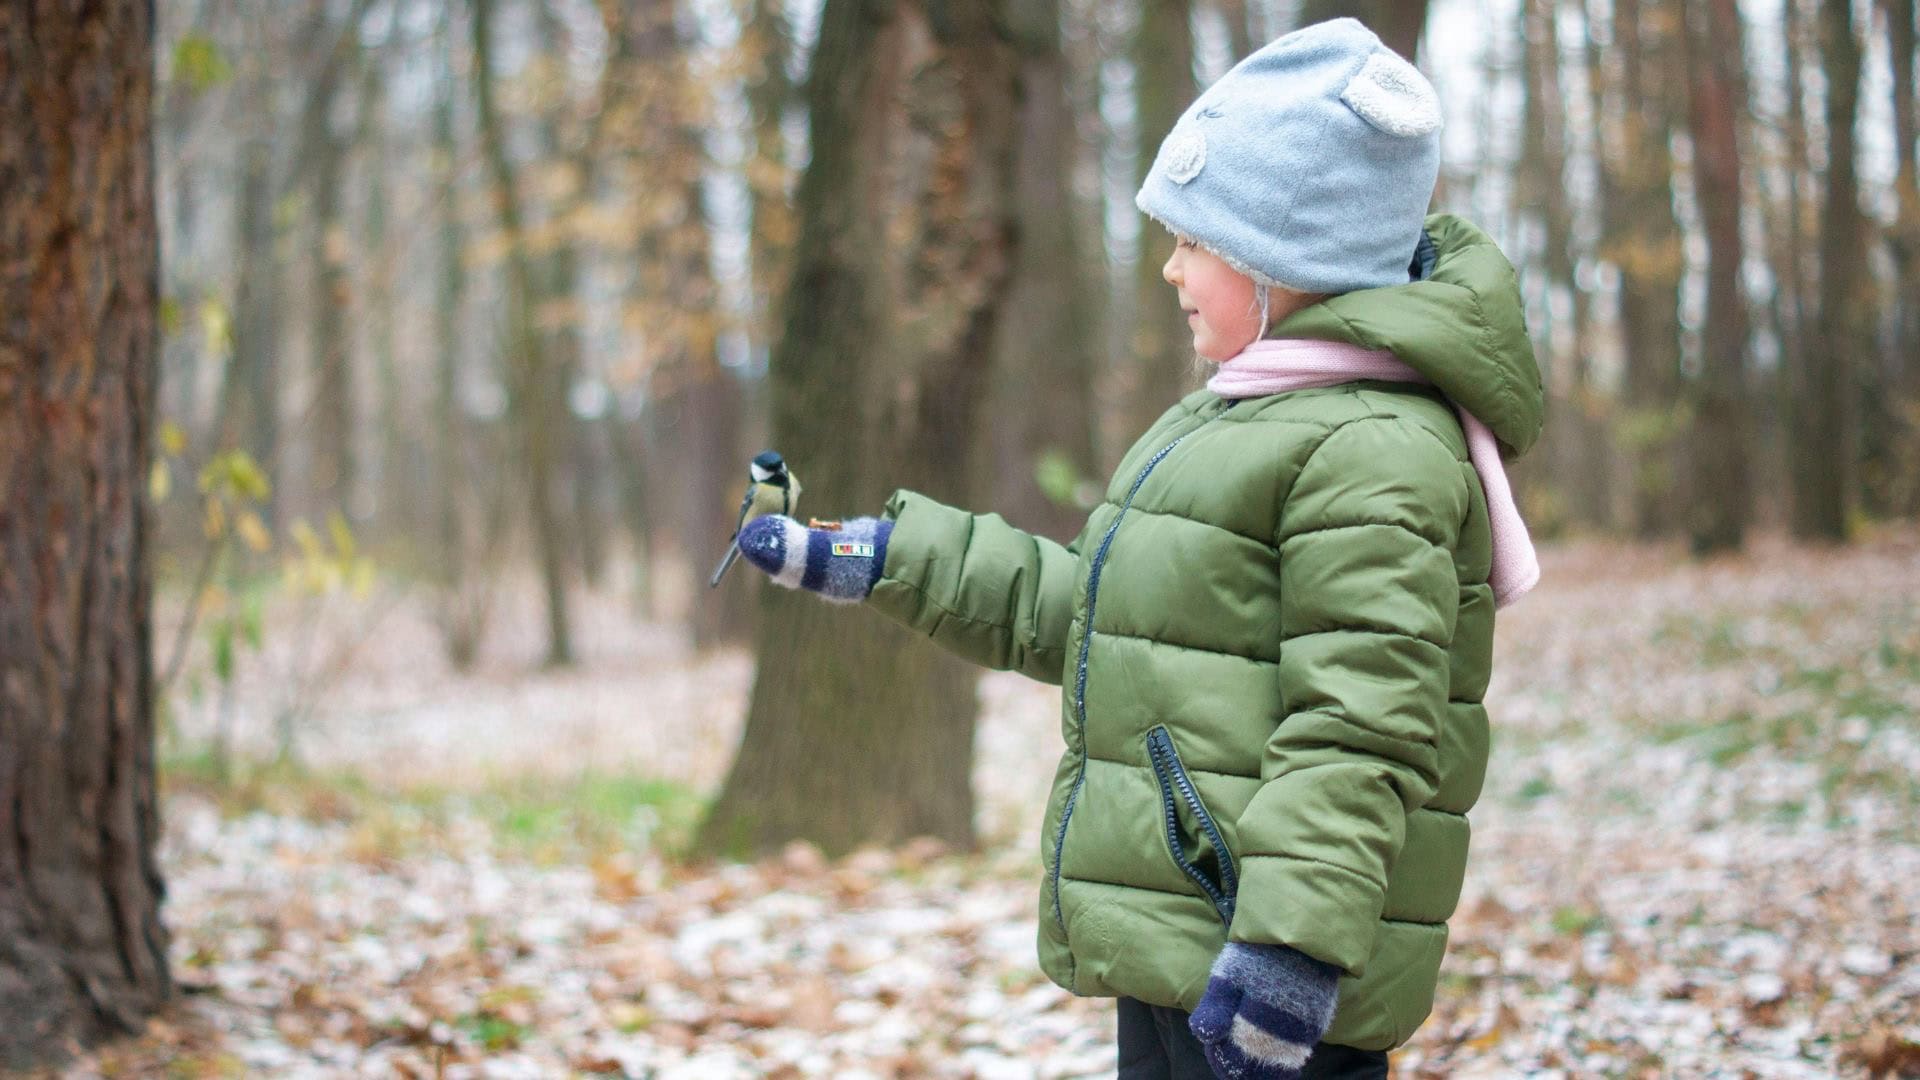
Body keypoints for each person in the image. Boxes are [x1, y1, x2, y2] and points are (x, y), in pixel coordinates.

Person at [733, 17, 1544, 1080]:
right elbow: (1108, 619)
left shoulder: (1375, 451)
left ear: (1286, 252)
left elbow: (1361, 726)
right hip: (1183, 939)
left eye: (1194, 241)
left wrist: (1289, 952)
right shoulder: (1242, 418)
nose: (1168, 269)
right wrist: (889, 556)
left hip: (1270, 969)